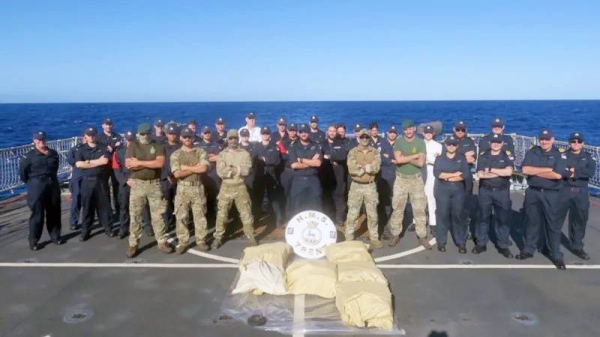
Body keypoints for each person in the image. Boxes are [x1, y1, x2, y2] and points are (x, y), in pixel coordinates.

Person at [517, 129, 569, 270]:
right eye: (542, 139)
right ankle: (528, 249)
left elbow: (557, 175)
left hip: (551, 194)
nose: (544, 142)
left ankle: (555, 255)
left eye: (547, 139)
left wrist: (537, 170)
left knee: (552, 225)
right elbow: (525, 170)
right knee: (531, 222)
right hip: (533, 192)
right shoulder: (532, 152)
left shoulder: (559, 155)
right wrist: (547, 170)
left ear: (553, 139)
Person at [125, 123, 173, 258]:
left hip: (155, 184)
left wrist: (139, 163)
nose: (145, 136)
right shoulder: (133, 145)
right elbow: (129, 165)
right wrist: (148, 164)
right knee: (135, 215)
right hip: (138, 185)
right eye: (142, 134)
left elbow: (159, 163)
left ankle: (162, 241)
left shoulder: (158, 145)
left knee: (158, 215)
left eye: (147, 133)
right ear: (138, 134)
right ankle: (133, 244)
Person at [389, 120, 431, 249]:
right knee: (398, 207)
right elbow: (398, 159)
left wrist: (405, 158)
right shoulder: (399, 142)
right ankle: (395, 234)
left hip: (416, 179)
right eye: (406, 129)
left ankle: (422, 236)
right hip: (401, 179)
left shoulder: (420, 142)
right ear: (403, 130)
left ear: (414, 129)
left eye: (410, 128)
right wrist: (414, 156)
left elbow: (420, 163)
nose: (408, 131)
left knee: (419, 208)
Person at [19, 131, 64, 251]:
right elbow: (23, 174)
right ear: (34, 140)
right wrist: (34, 184)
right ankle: (33, 241)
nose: (41, 141)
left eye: (43, 139)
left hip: (52, 185)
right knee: (37, 215)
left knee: (54, 212)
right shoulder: (28, 157)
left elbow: (55, 168)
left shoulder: (53, 154)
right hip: (37, 186)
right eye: (38, 140)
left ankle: (55, 236)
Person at [213, 130, 257, 248]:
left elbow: (247, 171)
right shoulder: (222, 155)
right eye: (230, 138)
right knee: (222, 214)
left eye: (235, 138)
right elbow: (220, 172)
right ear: (227, 139)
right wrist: (238, 169)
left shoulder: (245, 154)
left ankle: (251, 236)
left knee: (246, 213)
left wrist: (230, 168)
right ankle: (218, 237)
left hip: (240, 187)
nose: (233, 140)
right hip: (226, 188)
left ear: (238, 139)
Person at [557, 132, 596, 260]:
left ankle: (577, 247)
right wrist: (573, 172)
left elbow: (590, 172)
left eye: (579, 142)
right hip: (564, 190)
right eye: (573, 141)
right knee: (556, 219)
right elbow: (559, 170)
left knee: (579, 220)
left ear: (583, 143)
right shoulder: (562, 155)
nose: (576, 144)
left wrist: (574, 172)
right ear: (569, 143)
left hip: (581, 191)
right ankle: (551, 244)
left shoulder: (588, 157)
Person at [474, 133, 514, 258]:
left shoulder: (507, 155)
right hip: (486, 191)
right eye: (493, 142)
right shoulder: (483, 156)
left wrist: (491, 170)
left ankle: (503, 245)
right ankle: (481, 243)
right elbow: (480, 174)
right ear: (490, 143)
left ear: (502, 143)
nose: (495, 144)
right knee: (483, 217)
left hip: (502, 191)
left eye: (498, 142)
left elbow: (508, 172)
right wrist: (499, 173)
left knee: (503, 218)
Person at [171, 127, 211, 253]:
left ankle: (201, 240)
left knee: (200, 216)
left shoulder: (200, 151)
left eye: (189, 136)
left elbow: (204, 168)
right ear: (181, 138)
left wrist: (186, 167)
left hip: (198, 187)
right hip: (183, 188)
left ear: (193, 137)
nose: (187, 139)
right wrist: (195, 167)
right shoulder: (176, 154)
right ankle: (183, 242)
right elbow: (177, 174)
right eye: (185, 137)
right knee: (181, 217)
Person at [75, 127, 114, 241]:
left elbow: (105, 161)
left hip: (101, 181)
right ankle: (86, 231)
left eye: (93, 134)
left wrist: (87, 162)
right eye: (89, 135)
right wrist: (98, 162)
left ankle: (108, 228)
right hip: (87, 182)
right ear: (85, 136)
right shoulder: (80, 149)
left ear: (96, 135)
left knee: (105, 207)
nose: (91, 136)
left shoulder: (103, 148)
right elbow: (78, 164)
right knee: (87, 208)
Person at [345, 129, 382, 248]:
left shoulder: (375, 152)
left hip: (370, 186)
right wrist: (365, 169)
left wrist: (363, 166)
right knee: (352, 213)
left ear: (370, 138)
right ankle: (349, 237)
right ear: (359, 138)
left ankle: (374, 237)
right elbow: (352, 169)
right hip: (356, 185)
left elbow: (376, 167)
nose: (364, 139)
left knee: (372, 214)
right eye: (362, 137)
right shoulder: (353, 152)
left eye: (367, 137)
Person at [433, 136, 470, 253]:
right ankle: (441, 241)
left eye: (454, 144)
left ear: (457, 146)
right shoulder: (440, 158)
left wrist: (447, 176)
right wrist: (453, 175)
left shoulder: (461, 158)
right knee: (442, 215)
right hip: (443, 190)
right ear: (445, 145)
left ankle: (461, 242)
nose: (451, 146)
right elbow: (437, 174)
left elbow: (464, 174)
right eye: (449, 144)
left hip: (458, 191)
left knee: (458, 216)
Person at [288, 124, 323, 215]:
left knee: (315, 205)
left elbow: (318, 163)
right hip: (298, 180)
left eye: (306, 132)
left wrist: (302, 160)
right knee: (297, 206)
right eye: (301, 132)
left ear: (309, 133)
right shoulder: (293, 146)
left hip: (313, 179)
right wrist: (311, 162)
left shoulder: (316, 145)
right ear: (298, 133)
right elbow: (294, 165)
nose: (304, 134)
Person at [255, 127, 285, 226]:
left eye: (267, 133)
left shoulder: (274, 146)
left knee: (274, 199)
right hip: (259, 176)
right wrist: (268, 160)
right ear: (260, 134)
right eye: (263, 133)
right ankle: (256, 221)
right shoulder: (256, 146)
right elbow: (254, 160)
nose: (265, 135)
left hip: (271, 176)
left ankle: (278, 220)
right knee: (258, 198)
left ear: (269, 135)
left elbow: (276, 161)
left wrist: (264, 159)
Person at [95, 118, 122, 221]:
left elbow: (118, 147)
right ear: (102, 125)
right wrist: (111, 147)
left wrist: (109, 147)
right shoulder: (98, 137)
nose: (108, 126)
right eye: (106, 124)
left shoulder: (117, 136)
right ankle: (107, 213)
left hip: (115, 165)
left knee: (117, 189)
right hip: (103, 166)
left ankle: (119, 211)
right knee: (104, 189)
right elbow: (100, 149)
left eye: (110, 124)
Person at [323, 124, 349, 225]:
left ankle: (339, 218)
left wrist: (329, 158)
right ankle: (328, 217)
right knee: (327, 195)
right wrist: (333, 159)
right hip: (326, 172)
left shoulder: (342, 143)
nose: (332, 133)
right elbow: (320, 156)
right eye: (330, 131)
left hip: (339, 172)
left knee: (339, 195)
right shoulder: (323, 143)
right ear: (327, 132)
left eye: (334, 131)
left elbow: (343, 156)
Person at [113, 130, 137, 239]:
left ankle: (143, 226)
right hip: (125, 182)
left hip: (138, 181)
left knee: (142, 206)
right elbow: (116, 169)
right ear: (126, 139)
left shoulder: (140, 151)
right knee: (124, 206)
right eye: (128, 139)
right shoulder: (119, 152)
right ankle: (124, 228)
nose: (130, 141)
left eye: (132, 139)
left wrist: (137, 180)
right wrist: (126, 180)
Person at [422, 125, 442, 235]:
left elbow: (437, 161)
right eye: (426, 132)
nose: (428, 134)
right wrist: (431, 157)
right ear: (423, 133)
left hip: (431, 172)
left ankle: (433, 223)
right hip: (420, 171)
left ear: (433, 133)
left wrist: (427, 158)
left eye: (430, 132)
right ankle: (417, 221)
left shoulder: (438, 145)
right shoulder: (419, 144)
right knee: (419, 197)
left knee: (431, 197)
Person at [161, 123, 182, 231]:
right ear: (166, 134)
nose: (172, 136)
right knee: (166, 202)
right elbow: (160, 163)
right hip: (166, 179)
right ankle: (168, 223)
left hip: (179, 178)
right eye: (170, 133)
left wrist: (178, 176)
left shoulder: (181, 147)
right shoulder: (162, 147)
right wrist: (166, 176)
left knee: (181, 202)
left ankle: (181, 223)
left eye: (174, 133)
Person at [378, 125, 398, 230]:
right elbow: (379, 157)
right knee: (384, 200)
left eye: (394, 132)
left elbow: (401, 158)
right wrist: (390, 160)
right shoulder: (382, 143)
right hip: (384, 176)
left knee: (395, 199)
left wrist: (387, 157)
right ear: (387, 133)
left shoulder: (399, 144)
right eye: (390, 132)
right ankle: (384, 223)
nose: (392, 134)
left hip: (396, 176)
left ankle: (395, 221)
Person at [278, 123, 299, 220]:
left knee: (297, 193)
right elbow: (283, 156)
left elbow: (303, 155)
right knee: (286, 194)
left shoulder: (300, 141)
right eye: (290, 130)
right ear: (287, 131)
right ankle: (287, 215)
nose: (292, 132)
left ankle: (296, 214)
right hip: (287, 171)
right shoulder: (283, 141)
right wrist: (293, 155)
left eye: (294, 130)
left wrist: (289, 153)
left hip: (298, 171)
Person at [66, 131, 86, 230]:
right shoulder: (75, 149)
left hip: (89, 177)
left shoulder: (94, 149)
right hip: (78, 177)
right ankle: (74, 221)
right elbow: (70, 160)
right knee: (76, 200)